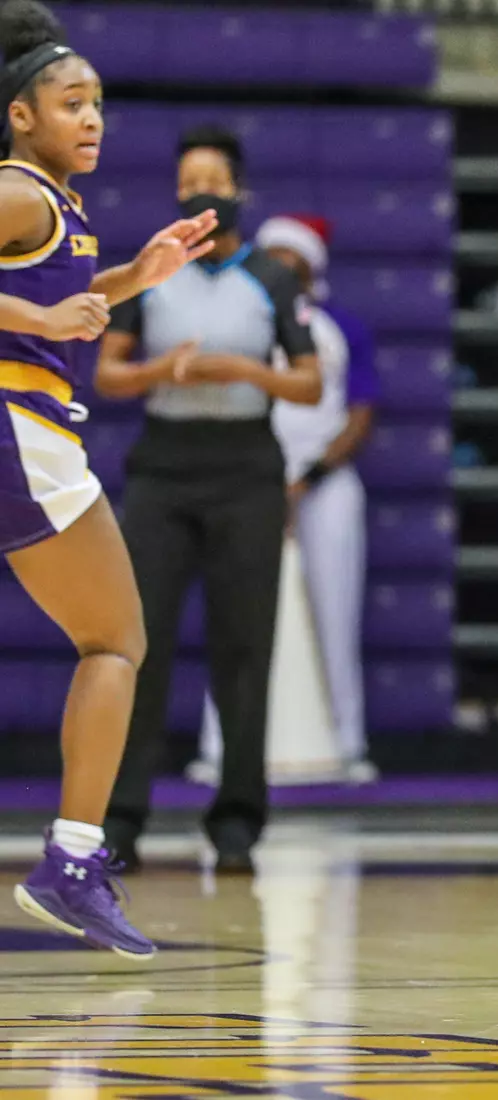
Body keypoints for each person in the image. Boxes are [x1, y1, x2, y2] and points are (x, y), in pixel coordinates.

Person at [0, 0, 216, 956]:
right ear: (20, 112)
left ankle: (75, 859)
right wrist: (46, 327)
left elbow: (65, 295)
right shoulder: (19, 191)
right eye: (72, 101)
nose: (92, 119)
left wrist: (139, 274)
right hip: (20, 432)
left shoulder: (56, 203)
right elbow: (45, 314)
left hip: (34, 432)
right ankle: (72, 861)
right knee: (115, 639)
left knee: (113, 641)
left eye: (99, 105)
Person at [96, 125, 321, 875]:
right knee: (140, 644)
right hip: (164, 467)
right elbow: (108, 374)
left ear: (237, 194)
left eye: (214, 181)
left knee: (243, 649)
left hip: (247, 469)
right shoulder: (151, 272)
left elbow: (310, 382)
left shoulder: (273, 279)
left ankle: (235, 824)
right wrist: (167, 368)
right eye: (188, 180)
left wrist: (241, 370)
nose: (202, 193)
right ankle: (122, 819)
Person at [191, 213, 380, 785]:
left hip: (326, 484)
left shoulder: (342, 327)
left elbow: (360, 413)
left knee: (335, 613)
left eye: (291, 264)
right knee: (234, 613)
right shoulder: (234, 326)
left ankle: (347, 744)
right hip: (248, 480)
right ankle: (219, 746)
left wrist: (309, 478)